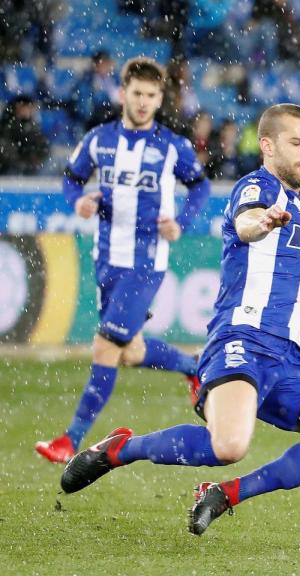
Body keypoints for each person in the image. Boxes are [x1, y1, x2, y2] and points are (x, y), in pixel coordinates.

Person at [60, 103, 300, 538]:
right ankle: (119, 451)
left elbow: (277, 263)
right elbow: (247, 224)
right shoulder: (254, 187)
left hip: (291, 357)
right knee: (228, 445)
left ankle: (226, 494)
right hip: (242, 342)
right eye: (297, 143)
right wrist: (260, 222)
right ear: (267, 145)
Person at [35, 57, 210, 464]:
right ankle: (194, 365)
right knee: (128, 351)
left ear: (160, 97)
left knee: (105, 345)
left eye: (152, 95)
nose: (145, 102)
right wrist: (77, 200)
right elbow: (71, 177)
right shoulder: (99, 140)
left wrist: (180, 223)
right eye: (138, 94)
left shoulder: (172, 146)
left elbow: (199, 188)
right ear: (123, 93)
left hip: (146, 260)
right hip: (107, 257)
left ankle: (69, 440)